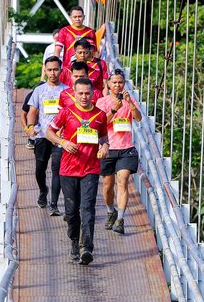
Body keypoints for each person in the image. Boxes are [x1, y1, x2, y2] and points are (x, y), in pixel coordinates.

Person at [46, 78, 109, 265]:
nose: (84, 97)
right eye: (80, 93)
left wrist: (105, 147)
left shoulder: (100, 115)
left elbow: (104, 137)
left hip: (90, 168)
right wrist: (62, 142)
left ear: (93, 94)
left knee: (87, 208)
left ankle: (86, 248)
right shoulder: (67, 112)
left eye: (87, 93)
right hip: (68, 169)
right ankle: (74, 240)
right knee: (72, 212)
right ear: (74, 93)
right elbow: (50, 132)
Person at [95, 69, 142, 234]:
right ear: (108, 84)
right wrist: (114, 109)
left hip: (126, 148)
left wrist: (129, 103)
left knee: (123, 181)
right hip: (108, 148)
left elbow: (138, 118)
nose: (117, 85)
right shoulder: (102, 102)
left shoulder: (130, 100)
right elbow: (100, 124)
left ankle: (120, 219)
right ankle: (110, 211)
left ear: (124, 84)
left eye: (120, 82)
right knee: (108, 186)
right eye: (114, 82)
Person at [26, 56, 69, 216]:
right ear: (45, 70)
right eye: (49, 70)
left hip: (59, 136)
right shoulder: (39, 90)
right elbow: (32, 111)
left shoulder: (66, 91)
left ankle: (54, 204)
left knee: (57, 169)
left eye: (55, 69)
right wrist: (30, 127)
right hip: (43, 135)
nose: (52, 73)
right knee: (40, 168)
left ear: (61, 70)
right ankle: (43, 190)